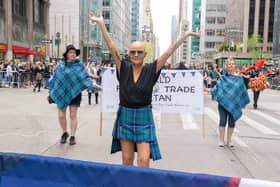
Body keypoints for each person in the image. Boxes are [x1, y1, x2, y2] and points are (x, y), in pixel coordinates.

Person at [89, 12, 200, 167]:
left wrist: (185, 35)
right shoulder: (124, 67)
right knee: (127, 160)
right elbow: (112, 48)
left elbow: (169, 51)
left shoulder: (151, 69)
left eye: (139, 52)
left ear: (145, 54)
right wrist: (101, 23)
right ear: (128, 54)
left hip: (143, 115)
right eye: (132, 52)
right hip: (125, 114)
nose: (135, 54)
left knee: (144, 159)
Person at [48, 45, 101, 145]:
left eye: (74, 53)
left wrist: (96, 85)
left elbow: (85, 78)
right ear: (67, 54)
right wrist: (51, 90)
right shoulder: (60, 65)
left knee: (73, 115)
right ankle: (64, 133)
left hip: (75, 93)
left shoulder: (79, 66)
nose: (73, 54)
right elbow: (55, 78)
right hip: (62, 93)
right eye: (70, 52)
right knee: (61, 115)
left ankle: (72, 136)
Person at [205, 58, 249, 147]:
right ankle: (221, 140)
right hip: (223, 104)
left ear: (235, 66)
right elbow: (216, 89)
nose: (231, 65)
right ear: (226, 66)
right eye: (229, 64)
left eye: (233, 64)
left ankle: (229, 140)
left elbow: (243, 91)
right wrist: (206, 89)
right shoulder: (222, 78)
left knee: (232, 122)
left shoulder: (239, 79)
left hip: (235, 104)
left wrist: (243, 103)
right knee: (223, 121)